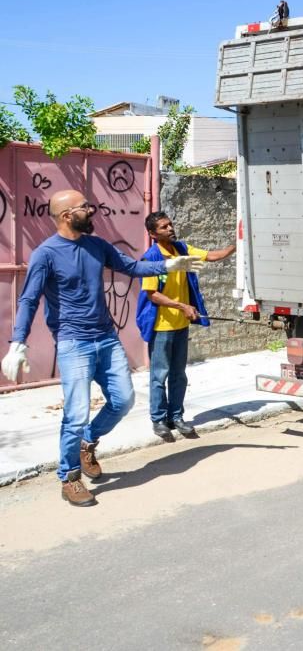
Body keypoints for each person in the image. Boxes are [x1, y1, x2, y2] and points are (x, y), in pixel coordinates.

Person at [1, 190, 203, 507]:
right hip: (73, 343)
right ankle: (69, 478)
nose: (92, 211)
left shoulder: (97, 246)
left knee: (123, 400)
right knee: (76, 412)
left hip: (106, 338)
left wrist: (170, 265)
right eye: (85, 207)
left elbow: (132, 268)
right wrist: (17, 342)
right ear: (67, 215)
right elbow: (28, 299)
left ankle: (87, 442)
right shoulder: (46, 254)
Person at [137, 211, 236, 440]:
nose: (170, 228)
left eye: (170, 224)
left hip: (180, 325)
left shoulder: (181, 249)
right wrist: (182, 306)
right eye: (164, 227)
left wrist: (235, 246)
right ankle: (159, 420)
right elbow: (152, 295)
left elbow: (210, 256)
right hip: (161, 326)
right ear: (153, 234)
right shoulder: (151, 258)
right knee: (159, 375)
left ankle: (176, 416)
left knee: (179, 374)